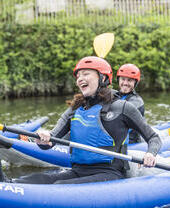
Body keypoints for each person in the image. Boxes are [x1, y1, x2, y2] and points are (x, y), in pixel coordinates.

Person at [8, 56, 162, 184]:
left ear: (102, 78)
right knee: (36, 179)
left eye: (86, 74)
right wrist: (43, 140)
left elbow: (154, 138)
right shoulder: (75, 109)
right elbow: (50, 142)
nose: (80, 79)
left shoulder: (122, 108)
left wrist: (150, 154)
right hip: (78, 171)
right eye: (78, 75)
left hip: (109, 173)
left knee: (60, 185)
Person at [114, 64, 144, 143]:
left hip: (131, 142)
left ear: (135, 82)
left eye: (129, 80)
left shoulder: (137, 101)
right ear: (118, 80)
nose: (125, 83)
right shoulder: (114, 95)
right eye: (123, 79)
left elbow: (118, 116)